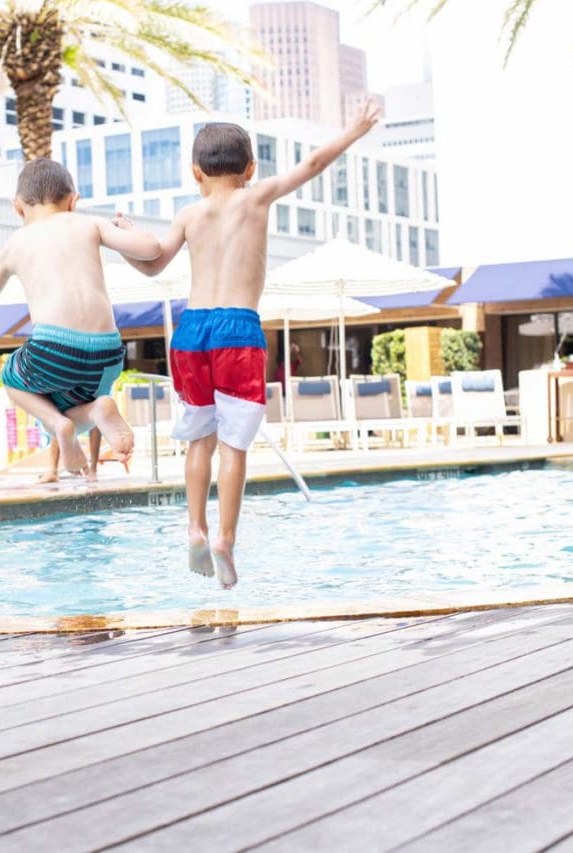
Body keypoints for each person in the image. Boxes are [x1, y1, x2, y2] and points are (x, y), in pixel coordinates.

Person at [116, 100, 380, 589]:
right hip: (238, 329)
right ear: (251, 168)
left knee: (200, 439)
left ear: (195, 171)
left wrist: (128, 239)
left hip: (192, 331)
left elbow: (152, 265)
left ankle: (193, 526)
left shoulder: (188, 214)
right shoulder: (255, 198)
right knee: (234, 446)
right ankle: (225, 539)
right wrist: (355, 130)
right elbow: (314, 163)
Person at [0, 158, 162, 476]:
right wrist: (128, 229)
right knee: (75, 406)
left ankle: (57, 426)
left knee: (11, 376)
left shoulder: (15, 244)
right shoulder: (89, 224)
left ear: (17, 208)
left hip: (54, 347)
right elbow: (151, 249)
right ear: (73, 200)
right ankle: (97, 409)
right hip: (109, 352)